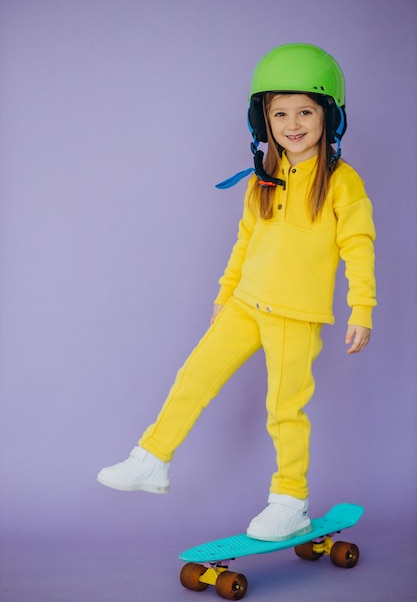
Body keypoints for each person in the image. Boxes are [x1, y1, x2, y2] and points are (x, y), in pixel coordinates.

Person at [97, 43, 376, 542]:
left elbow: (359, 245)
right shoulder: (261, 181)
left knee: (284, 409)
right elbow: (245, 241)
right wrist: (225, 294)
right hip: (246, 303)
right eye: (280, 113)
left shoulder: (341, 183)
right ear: (263, 121)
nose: (293, 123)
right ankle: (151, 459)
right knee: (194, 376)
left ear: (328, 116)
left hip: (295, 314)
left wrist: (362, 308)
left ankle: (290, 499)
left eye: (306, 111)